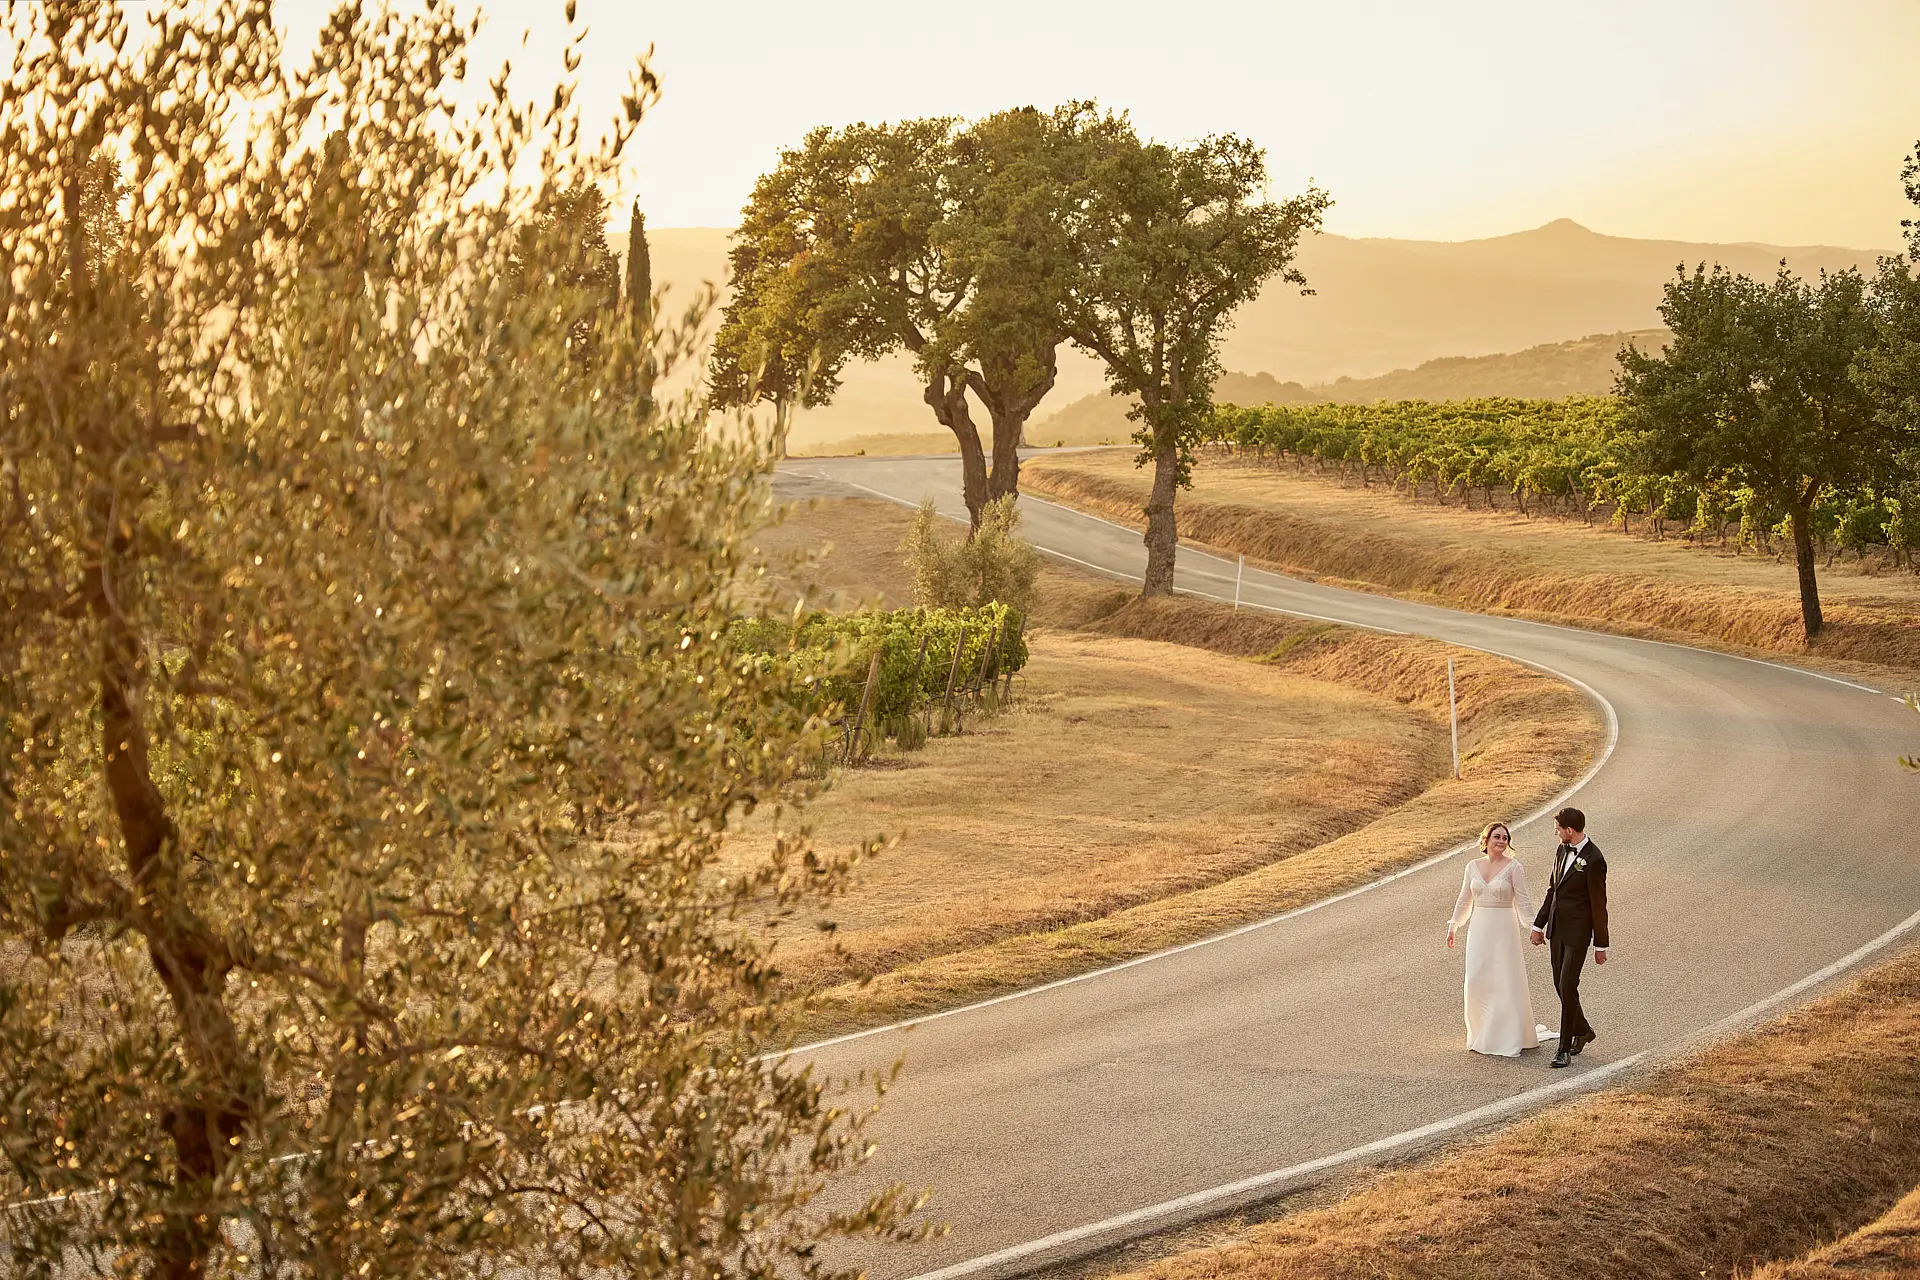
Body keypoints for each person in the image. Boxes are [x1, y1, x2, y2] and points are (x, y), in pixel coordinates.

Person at [1445, 821, 1539, 1056]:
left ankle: (1508, 1035)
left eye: (1505, 838)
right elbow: (1464, 898)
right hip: (1479, 928)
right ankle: (1481, 1033)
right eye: (1496, 837)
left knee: (1504, 977)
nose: (1501, 841)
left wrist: (1533, 926)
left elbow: (1523, 899)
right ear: (1486, 840)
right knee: (1477, 977)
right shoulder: (1472, 866)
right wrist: (1454, 925)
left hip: (1504, 928)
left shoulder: (1514, 867)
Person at [1530, 806, 1610, 1068]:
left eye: (1558, 829)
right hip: (1557, 930)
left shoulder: (1594, 859)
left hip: (1578, 934)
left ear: (1570, 830)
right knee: (1560, 984)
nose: (1556, 832)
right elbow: (1553, 889)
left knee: (1567, 984)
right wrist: (1539, 925)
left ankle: (1563, 1048)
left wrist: (1601, 944)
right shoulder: (1561, 850)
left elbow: (1599, 904)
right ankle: (1583, 1030)